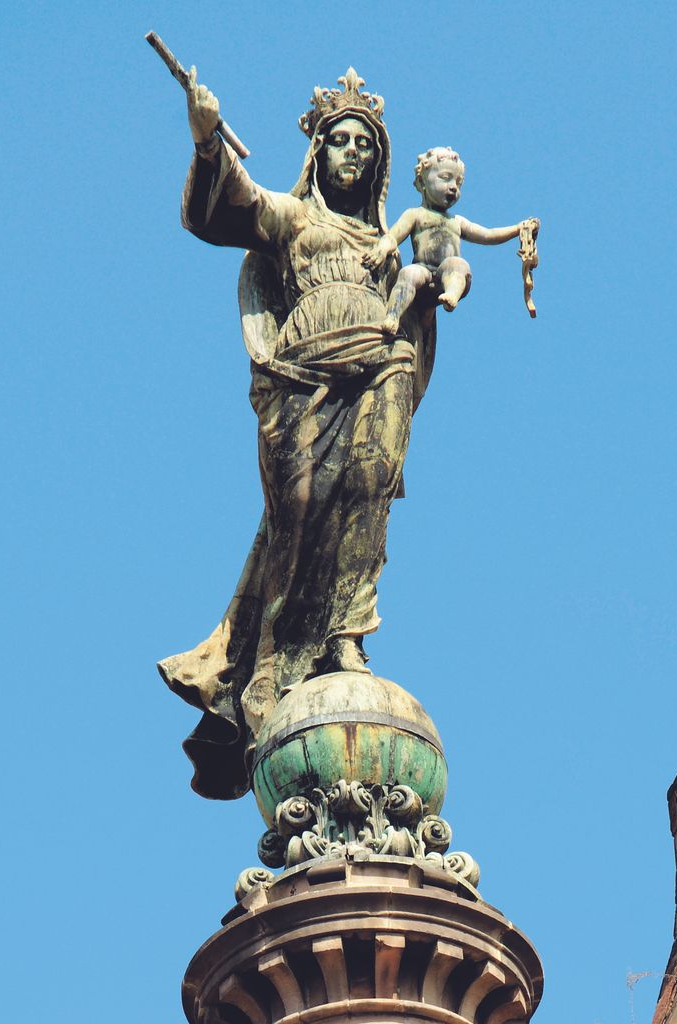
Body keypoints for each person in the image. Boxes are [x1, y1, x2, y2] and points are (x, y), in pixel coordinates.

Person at [158, 69, 440, 800]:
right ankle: (268, 666)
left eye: (362, 147)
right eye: (338, 142)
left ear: (377, 165)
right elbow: (230, 209)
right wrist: (207, 134)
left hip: (383, 363)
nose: (351, 154)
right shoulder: (294, 219)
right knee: (302, 514)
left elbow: (434, 283)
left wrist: (428, 282)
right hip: (302, 379)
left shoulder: (389, 238)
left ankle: (347, 635)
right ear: (317, 155)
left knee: (368, 497)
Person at [363, 146, 539, 335]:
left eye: (458, 182)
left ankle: (452, 294)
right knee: (408, 273)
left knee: (458, 264)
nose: (454, 186)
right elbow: (392, 237)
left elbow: (489, 235)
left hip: (445, 276)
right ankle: (393, 315)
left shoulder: (457, 221)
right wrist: (381, 249)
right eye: (446, 178)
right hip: (422, 271)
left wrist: (518, 229)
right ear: (422, 180)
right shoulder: (415, 214)